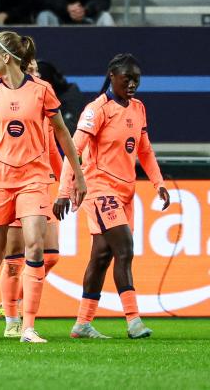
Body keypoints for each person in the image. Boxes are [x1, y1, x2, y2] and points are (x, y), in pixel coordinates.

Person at [0, 31, 86, 343]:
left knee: (34, 247)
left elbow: (62, 134)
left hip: (32, 180)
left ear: (6, 57)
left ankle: (27, 327)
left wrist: (77, 175)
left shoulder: (42, 90)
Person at [55, 53, 170, 339]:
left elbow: (144, 150)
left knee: (102, 256)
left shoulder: (138, 108)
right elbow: (73, 150)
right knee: (125, 249)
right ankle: (133, 321)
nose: (132, 84)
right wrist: (63, 191)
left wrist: (158, 182)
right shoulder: (97, 110)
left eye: (136, 79)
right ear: (112, 77)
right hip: (100, 189)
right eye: (126, 78)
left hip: (126, 191)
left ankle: (82, 323)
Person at [0, 59, 64, 338]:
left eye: (37, 70)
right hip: (10, 184)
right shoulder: (0, 100)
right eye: (30, 69)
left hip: (39, 185)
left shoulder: (43, 107)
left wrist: (67, 185)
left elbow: (53, 151)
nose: (34, 74)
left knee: (50, 256)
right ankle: (12, 317)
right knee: (14, 258)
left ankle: (11, 302)